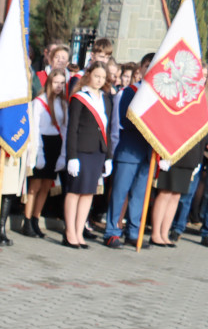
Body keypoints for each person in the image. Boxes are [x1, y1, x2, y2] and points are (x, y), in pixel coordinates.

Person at [104, 53, 153, 249]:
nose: (150, 69)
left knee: (140, 195)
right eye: (148, 65)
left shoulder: (158, 96)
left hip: (148, 152)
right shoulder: (130, 91)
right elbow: (123, 121)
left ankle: (134, 232)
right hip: (129, 149)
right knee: (119, 193)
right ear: (140, 69)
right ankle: (112, 231)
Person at [63, 63, 111, 249]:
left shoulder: (105, 99)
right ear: (89, 75)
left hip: (98, 152)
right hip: (81, 151)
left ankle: (79, 230)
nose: (99, 80)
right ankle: (69, 233)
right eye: (96, 76)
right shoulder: (79, 98)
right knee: (75, 191)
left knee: (88, 193)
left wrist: (108, 156)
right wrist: (72, 156)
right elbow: (72, 129)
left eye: (103, 77)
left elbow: (107, 128)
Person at [22, 67, 68, 238]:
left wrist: (63, 154)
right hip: (40, 143)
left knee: (46, 185)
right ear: (49, 82)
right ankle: (27, 220)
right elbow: (33, 128)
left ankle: (36, 218)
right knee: (34, 185)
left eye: (62, 83)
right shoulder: (39, 101)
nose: (59, 86)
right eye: (56, 82)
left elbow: (64, 128)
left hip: (55, 144)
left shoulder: (63, 104)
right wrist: (37, 152)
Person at [151, 142, 203, 246]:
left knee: (176, 196)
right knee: (165, 193)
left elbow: (202, 136)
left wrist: (198, 159)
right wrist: (164, 155)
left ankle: (164, 234)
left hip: (190, 156)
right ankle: (156, 234)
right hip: (172, 153)